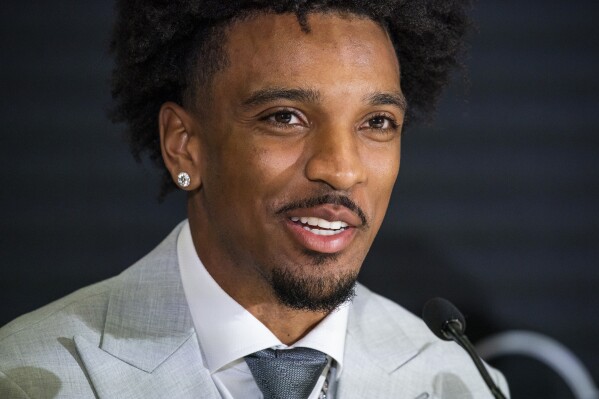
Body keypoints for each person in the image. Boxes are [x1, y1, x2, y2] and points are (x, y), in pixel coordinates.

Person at [0, 1, 509, 398]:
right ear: (185, 145)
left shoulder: (459, 382)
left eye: (377, 123)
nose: (342, 168)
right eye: (285, 116)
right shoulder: (30, 376)